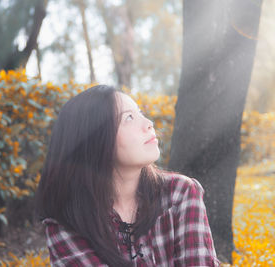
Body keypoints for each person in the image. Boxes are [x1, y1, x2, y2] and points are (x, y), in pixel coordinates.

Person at [35, 85, 220, 266]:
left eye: (140, 112)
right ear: (95, 141)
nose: (149, 123)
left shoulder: (180, 193)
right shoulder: (67, 222)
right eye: (129, 118)